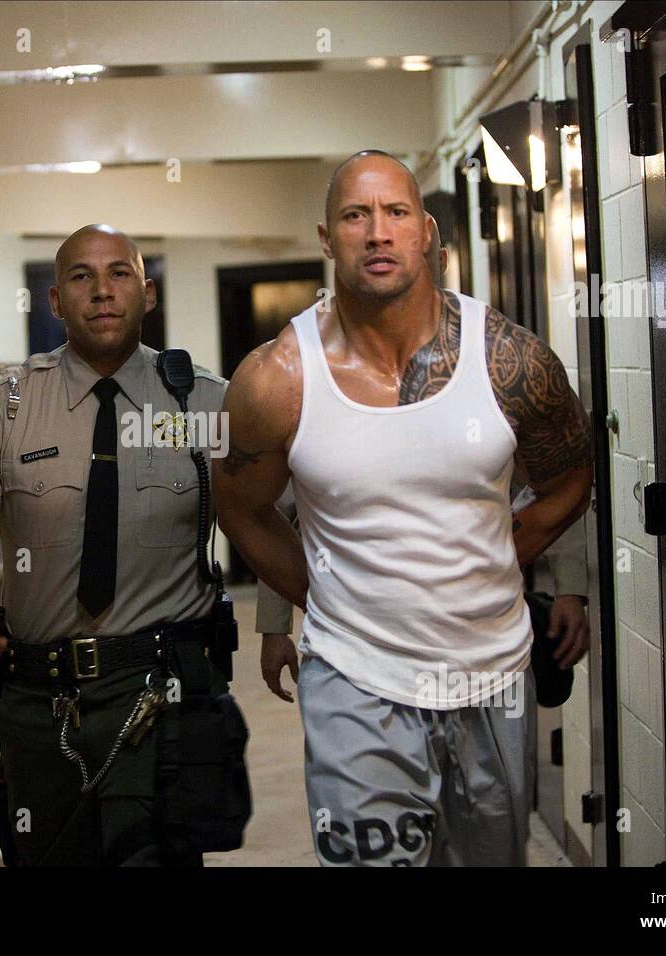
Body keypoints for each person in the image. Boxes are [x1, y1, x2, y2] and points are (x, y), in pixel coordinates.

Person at [215, 150, 592, 866]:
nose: (377, 233)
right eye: (356, 215)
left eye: (394, 214)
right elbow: (239, 508)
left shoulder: (512, 362)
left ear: (426, 232)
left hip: (493, 674)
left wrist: (495, 558)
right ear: (327, 238)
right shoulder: (276, 380)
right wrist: (326, 595)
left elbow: (571, 480)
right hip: (356, 677)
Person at [0, 224, 242, 866]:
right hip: (41, 702)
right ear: (56, 301)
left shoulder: (204, 402)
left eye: (119, 274)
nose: (102, 291)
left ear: (147, 294)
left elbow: (271, 510)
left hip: (160, 687)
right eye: (81, 277)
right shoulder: (4, 409)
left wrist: (279, 622)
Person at [255, 218, 590, 702]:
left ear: (442, 262)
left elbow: (552, 477)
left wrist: (569, 587)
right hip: (360, 646)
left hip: (475, 635)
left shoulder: (494, 365)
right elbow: (277, 508)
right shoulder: (323, 375)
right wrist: (276, 624)